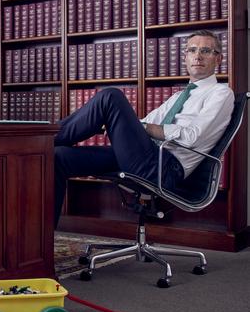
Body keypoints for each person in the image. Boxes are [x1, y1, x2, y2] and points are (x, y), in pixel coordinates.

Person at [54, 30, 234, 228]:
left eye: (206, 50)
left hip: (164, 168)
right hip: (145, 156)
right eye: (192, 50)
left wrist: (137, 126)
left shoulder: (222, 94)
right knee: (58, 157)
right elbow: (145, 122)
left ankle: (43, 136)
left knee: (110, 97)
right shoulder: (179, 96)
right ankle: (42, 244)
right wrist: (123, 125)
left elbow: (193, 137)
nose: (197, 56)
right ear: (185, 57)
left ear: (218, 59)